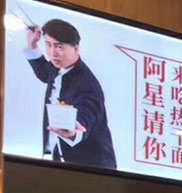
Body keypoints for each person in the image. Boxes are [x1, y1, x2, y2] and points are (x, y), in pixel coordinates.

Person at [24, 19, 116, 168]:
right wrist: (32, 45)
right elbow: (44, 72)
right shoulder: (57, 66)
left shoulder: (87, 84)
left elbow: (87, 113)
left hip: (93, 167)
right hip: (61, 157)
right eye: (48, 45)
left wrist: (74, 130)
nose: (52, 53)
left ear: (76, 48)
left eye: (59, 46)